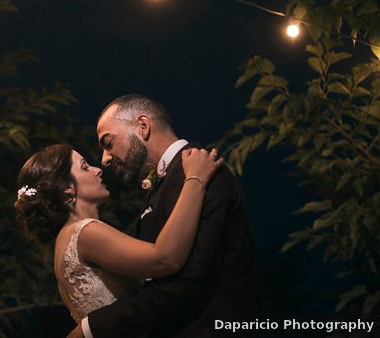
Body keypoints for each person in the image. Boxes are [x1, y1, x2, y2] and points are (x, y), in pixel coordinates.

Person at [86, 94, 255, 337]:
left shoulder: (201, 170)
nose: (104, 160)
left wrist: (93, 327)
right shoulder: (166, 183)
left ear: (143, 126)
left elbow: (185, 282)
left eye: (108, 142)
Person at [15, 142, 222, 335]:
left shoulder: (64, 242)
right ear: (66, 189)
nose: (98, 169)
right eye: (85, 166)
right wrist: (196, 179)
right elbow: (165, 258)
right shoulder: (85, 233)